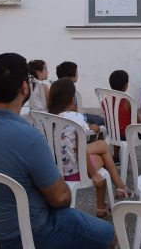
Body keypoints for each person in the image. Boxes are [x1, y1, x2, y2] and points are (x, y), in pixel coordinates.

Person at [0, 53, 116, 248]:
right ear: (24, 87)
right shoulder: (28, 137)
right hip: (28, 233)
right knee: (109, 235)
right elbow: (61, 198)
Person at [48, 78, 133, 218]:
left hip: (57, 169)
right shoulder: (76, 117)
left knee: (102, 146)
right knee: (102, 158)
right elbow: (78, 149)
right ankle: (110, 197)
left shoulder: (48, 117)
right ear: (72, 99)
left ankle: (118, 189)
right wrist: (93, 174)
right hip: (74, 171)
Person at [56, 61, 104, 127]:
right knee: (101, 120)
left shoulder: (57, 87)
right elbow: (73, 111)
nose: (77, 74)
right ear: (71, 74)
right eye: (76, 71)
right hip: (76, 120)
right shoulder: (70, 90)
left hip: (64, 119)